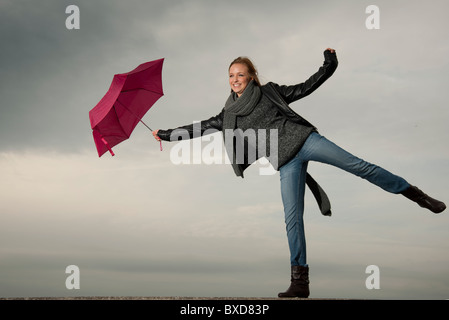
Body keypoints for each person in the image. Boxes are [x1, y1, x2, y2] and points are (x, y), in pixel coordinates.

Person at [152, 48, 446, 298]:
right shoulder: (227, 115)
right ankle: (300, 282)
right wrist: (166, 134)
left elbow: (307, 86)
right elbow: (200, 127)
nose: (235, 80)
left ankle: (415, 194)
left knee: (359, 166)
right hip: (285, 161)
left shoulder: (269, 92)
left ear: (251, 76)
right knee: (292, 217)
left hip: (307, 141)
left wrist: (329, 64)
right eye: (231, 75)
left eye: (240, 74)